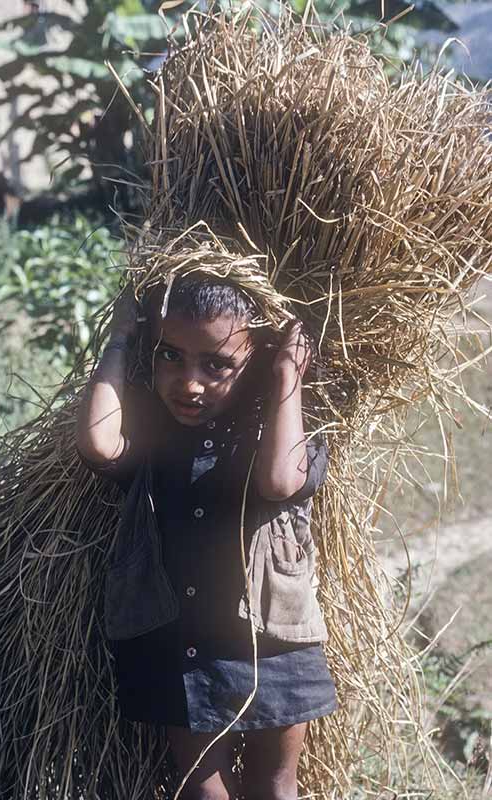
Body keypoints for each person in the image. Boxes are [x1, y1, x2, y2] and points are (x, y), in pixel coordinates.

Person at [76, 274, 337, 800]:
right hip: (183, 641)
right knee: (201, 786)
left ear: (256, 360)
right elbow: (100, 444)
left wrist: (287, 373)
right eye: (172, 356)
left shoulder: (282, 430)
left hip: (275, 642)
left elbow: (279, 481)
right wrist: (122, 337)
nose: (189, 382)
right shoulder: (154, 428)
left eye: (216, 365)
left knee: (275, 783)